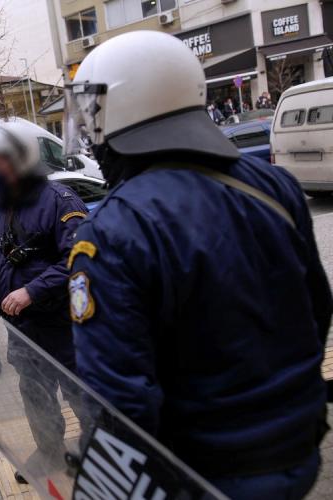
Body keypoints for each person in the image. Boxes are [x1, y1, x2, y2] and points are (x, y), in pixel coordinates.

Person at [64, 30, 331, 500]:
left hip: (205, 475)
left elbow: (120, 399)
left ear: (125, 110)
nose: (90, 135)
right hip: (298, 448)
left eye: (93, 119)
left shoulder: (113, 231)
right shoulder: (275, 185)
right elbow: (317, 310)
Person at [0, 122, 88, 481]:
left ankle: (97, 452)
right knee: (34, 393)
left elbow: (80, 258)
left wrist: (33, 290)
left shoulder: (60, 200)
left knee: (81, 393)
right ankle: (50, 452)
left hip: (64, 323)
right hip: (21, 328)